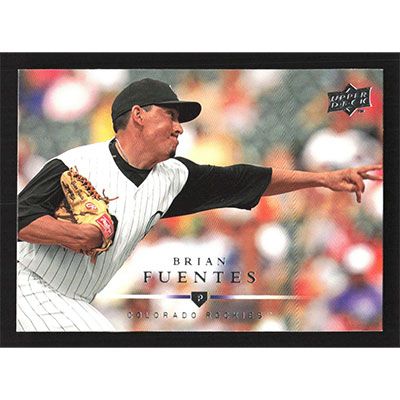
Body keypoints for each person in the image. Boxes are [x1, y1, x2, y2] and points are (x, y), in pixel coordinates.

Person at [17, 78, 382, 331]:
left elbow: (243, 179)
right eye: (171, 116)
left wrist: (321, 179)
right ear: (138, 115)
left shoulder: (172, 178)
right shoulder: (76, 164)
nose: (179, 127)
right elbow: (17, 218)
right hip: (28, 284)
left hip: (73, 298)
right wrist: (76, 235)